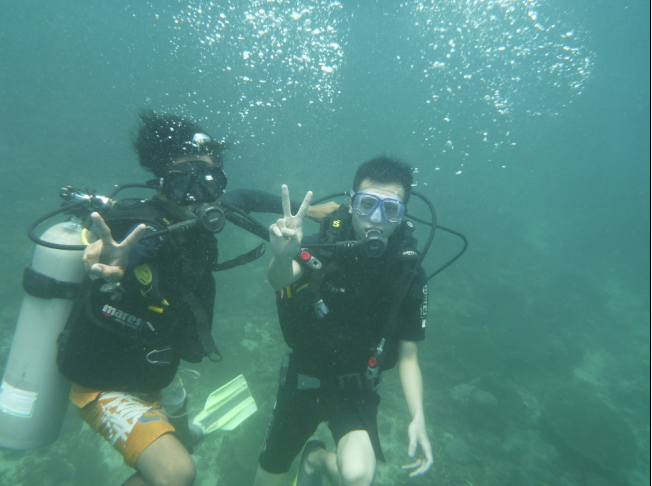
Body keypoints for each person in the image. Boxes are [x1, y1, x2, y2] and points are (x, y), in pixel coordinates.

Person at [55, 110, 334, 486]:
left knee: (185, 441)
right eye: (181, 183)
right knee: (177, 473)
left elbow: (245, 197)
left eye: (208, 180)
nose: (198, 195)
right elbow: (129, 246)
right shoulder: (142, 226)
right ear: (159, 184)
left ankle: (184, 433)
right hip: (105, 381)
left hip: (156, 370)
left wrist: (311, 209)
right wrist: (112, 260)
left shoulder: (202, 211)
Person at [254, 156, 434, 486]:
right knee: (266, 480)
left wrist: (418, 417)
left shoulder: (408, 273)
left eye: (390, 209)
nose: (376, 218)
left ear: (403, 215)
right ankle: (310, 457)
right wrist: (282, 255)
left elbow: (408, 356)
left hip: (355, 387)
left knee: (358, 477)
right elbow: (279, 280)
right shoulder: (323, 246)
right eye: (367, 204)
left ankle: (317, 459)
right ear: (351, 203)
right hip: (304, 377)